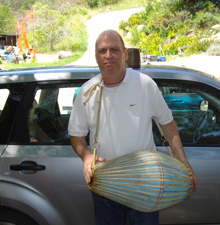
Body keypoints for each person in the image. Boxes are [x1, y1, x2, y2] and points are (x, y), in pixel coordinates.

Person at [68, 29, 197, 225]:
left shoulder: (145, 84)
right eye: (102, 51)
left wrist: (183, 162)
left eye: (114, 50)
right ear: (96, 57)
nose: (108, 56)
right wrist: (86, 156)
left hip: (145, 182)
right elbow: (76, 136)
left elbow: (168, 124)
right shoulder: (87, 92)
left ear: (125, 54)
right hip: (104, 182)